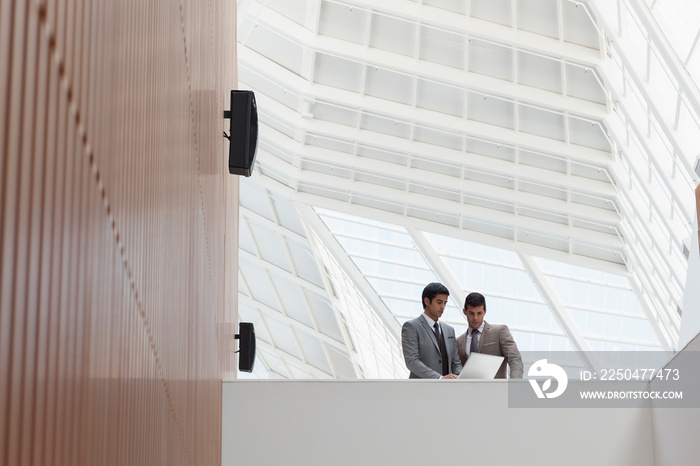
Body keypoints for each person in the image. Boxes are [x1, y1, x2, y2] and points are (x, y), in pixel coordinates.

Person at [401, 282, 463, 379]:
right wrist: (439, 378)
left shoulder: (449, 330)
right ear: (427, 301)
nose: (443, 307)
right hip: (423, 389)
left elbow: (456, 362)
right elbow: (412, 362)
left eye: (445, 303)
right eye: (439, 302)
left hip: (449, 390)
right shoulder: (411, 327)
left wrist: (459, 377)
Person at [456, 292, 523, 379]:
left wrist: (515, 384)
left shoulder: (500, 331)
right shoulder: (459, 342)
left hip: (496, 390)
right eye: (471, 313)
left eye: (479, 313)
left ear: (485, 312)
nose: (475, 318)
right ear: (465, 312)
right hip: (469, 391)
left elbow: (514, 358)